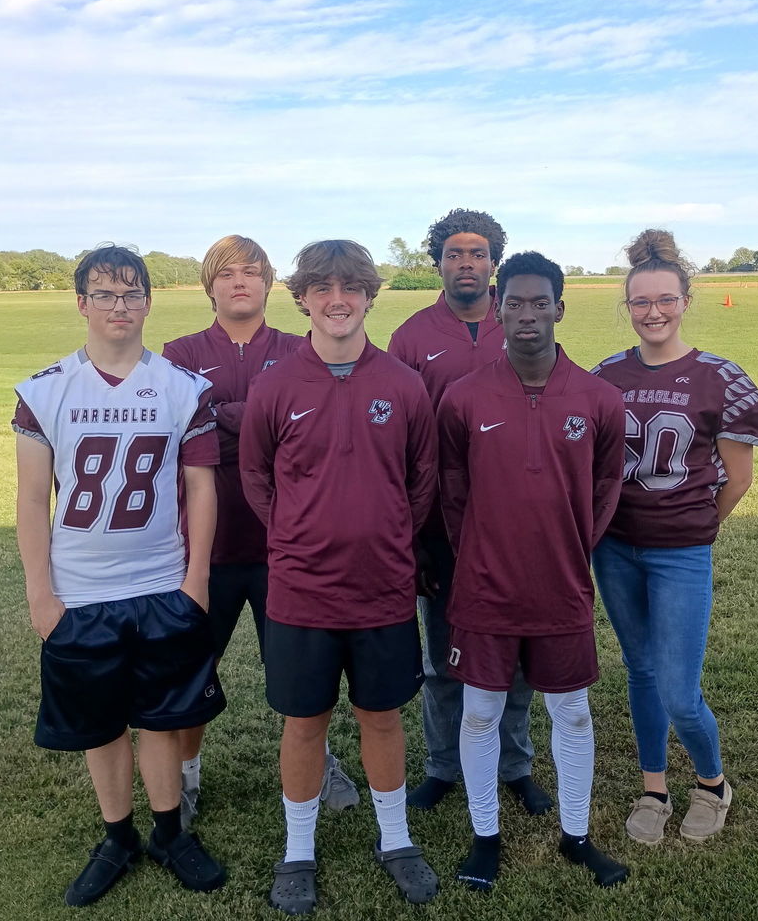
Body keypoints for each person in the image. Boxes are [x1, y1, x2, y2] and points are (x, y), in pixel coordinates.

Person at [13, 245, 227, 907]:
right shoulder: (45, 390)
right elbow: (29, 500)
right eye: (104, 294)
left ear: (148, 302)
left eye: (131, 293)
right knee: (102, 724)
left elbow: (200, 488)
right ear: (80, 302)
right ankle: (117, 836)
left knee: (162, 717)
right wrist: (40, 593)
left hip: (161, 582)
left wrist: (196, 581)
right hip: (80, 592)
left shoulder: (182, 388)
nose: (119, 306)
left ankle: (168, 832)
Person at [239, 240, 439, 914]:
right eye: (321, 288)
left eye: (350, 287)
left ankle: (395, 838)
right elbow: (256, 477)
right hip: (301, 591)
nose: (336, 299)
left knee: (381, 717)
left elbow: (421, 481)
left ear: (369, 295)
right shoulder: (275, 384)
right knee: (304, 723)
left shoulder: (403, 385)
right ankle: (297, 851)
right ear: (301, 298)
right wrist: (299, 539)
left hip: (381, 587)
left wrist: (379, 537)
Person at [438, 251, 629, 890]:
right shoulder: (463, 398)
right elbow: (453, 488)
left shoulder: (599, 398)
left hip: (562, 585)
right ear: (498, 309)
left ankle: (576, 836)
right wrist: (482, 549)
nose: (526, 315)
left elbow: (605, 486)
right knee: (481, 712)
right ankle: (484, 837)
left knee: (571, 711)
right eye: (513, 303)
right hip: (485, 587)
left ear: (559, 309)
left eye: (538, 303)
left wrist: (571, 546)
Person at [163, 234, 358, 827]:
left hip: (287, 545)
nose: (239, 281)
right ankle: (186, 776)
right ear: (210, 285)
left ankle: (318, 762)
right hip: (208, 547)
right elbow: (183, 433)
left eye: (251, 271)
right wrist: (258, 423)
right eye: (226, 273)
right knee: (193, 670)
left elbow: (309, 437)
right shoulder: (178, 351)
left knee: (303, 673)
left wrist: (224, 419)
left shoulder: (302, 348)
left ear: (271, 282)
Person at [591, 229, 758, 844]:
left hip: (680, 553)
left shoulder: (720, 376)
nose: (653, 312)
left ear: (686, 299)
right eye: (641, 302)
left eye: (665, 299)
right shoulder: (605, 375)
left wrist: (693, 530)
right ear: (628, 306)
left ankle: (714, 782)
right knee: (639, 670)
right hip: (613, 547)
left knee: (679, 690)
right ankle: (653, 786)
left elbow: (739, 478)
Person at [388, 209, 550, 815]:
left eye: (478, 253)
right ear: (438, 262)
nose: (466, 264)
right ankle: (443, 765)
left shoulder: (520, 321)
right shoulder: (412, 335)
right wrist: (419, 535)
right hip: (443, 526)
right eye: (454, 253)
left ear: (494, 262)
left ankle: (514, 764)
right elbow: (402, 439)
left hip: (517, 524)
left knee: (514, 658)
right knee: (445, 658)